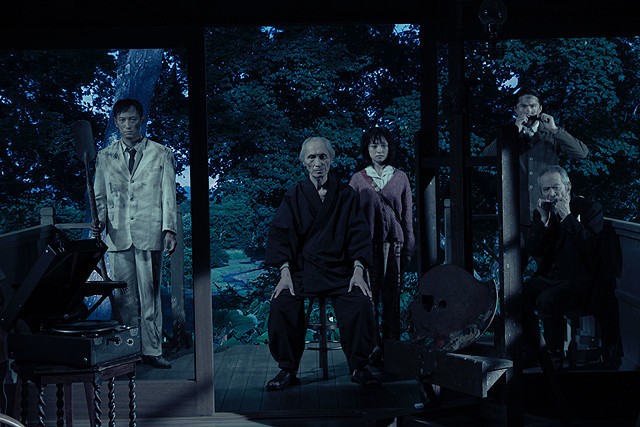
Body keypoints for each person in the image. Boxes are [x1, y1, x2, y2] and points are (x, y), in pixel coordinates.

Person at [264, 136, 380, 390]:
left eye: (323, 156)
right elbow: (280, 235)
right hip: (303, 271)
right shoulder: (294, 196)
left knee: (360, 303)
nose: (318, 163)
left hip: (341, 271)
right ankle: (287, 369)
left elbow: (358, 234)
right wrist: (285, 274)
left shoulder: (346, 195)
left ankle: (359, 366)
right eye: (312, 157)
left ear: (331, 160)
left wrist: (358, 271)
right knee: (282, 305)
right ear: (303, 162)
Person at [92, 98, 178, 369]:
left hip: (149, 232)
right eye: (122, 120)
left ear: (141, 120)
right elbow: (100, 195)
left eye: (132, 119)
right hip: (118, 235)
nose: (128, 125)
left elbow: (169, 194)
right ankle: (129, 350)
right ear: (116, 123)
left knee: (150, 296)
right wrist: (100, 222)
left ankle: (153, 350)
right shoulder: (105, 156)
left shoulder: (161, 153)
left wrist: (169, 229)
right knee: (124, 298)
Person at [481, 88, 589, 243]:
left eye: (532, 106)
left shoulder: (552, 134)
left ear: (540, 109)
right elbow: (487, 157)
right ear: (516, 109)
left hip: (549, 213)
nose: (528, 110)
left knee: (549, 255)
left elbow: (581, 153)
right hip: (517, 215)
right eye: (523, 106)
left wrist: (555, 130)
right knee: (517, 256)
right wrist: (512, 132)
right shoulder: (509, 133)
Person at [348, 126, 415, 366]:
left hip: (394, 246)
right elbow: (351, 219)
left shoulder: (400, 177)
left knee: (392, 299)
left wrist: (409, 247)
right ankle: (372, 350)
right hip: (367, 248)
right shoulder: (358, 179)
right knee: (369, 299)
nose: (379, 150)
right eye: (374, 145)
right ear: (367, 149)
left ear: (390, 148)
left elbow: (407, 216)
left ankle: (392, 350)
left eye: (383, 145)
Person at [522, 166, 604, 362]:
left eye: (556, 187)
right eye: (546, 189)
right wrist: (543, 220)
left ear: (567, 187)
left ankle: (554, 353)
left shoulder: (590, 209)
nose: (552, 194)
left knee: (548, 300)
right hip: (550, 278)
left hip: (580, 281)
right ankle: (531, 347)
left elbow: (591, 248)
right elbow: (533, 250)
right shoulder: (542, 212)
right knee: (517, 294)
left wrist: (567, 217)